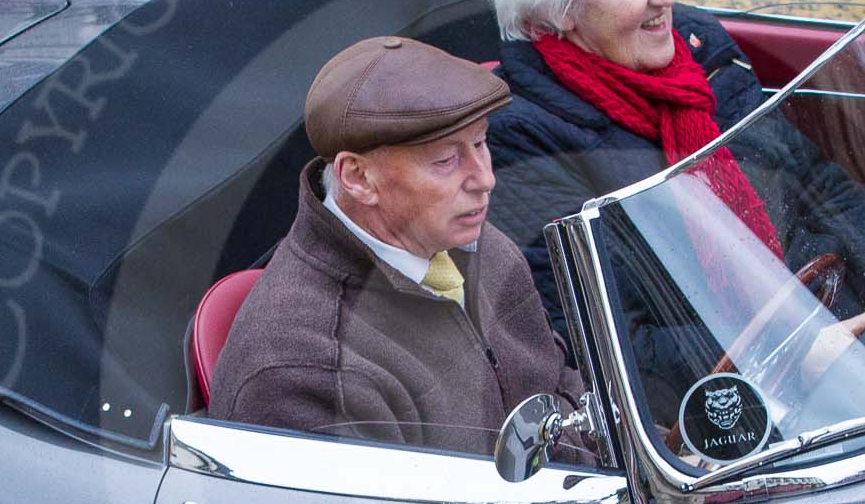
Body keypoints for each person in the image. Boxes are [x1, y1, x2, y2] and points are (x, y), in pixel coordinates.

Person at [484, 0, 865, 411]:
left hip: (834, 318)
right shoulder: (519, 139)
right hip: (726, 403)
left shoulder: (698, 47)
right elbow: (607, 347)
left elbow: (815, 182)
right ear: (560, 11)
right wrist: (795, 354)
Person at [208, 35, 592, 461]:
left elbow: (560, 390)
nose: (485, 179)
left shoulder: (476, 245)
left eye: (481, 143)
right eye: (446, 160)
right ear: (357, 177)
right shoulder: (305, 371)